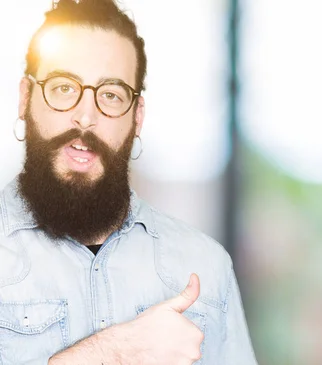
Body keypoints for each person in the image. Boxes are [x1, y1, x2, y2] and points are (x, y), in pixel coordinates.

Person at [0, 0, 257, 364]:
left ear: (137, 119)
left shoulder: (206, 266)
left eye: (110, 95)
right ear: (26, 98)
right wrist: (114, 352)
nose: (85, 117)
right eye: (62, 88)